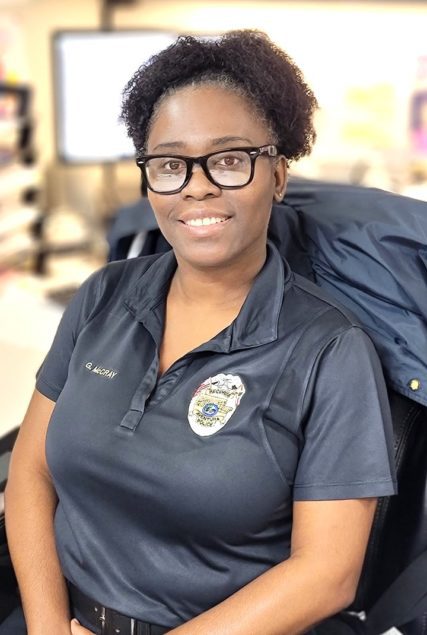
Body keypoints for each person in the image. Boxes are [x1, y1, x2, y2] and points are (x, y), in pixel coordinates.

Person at [4, 30, 396, 635]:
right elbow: (31, 473)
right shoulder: (103, 295)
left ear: (278, 175)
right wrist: (47, 626)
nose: (197, 184)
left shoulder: (330, 349)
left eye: (230, 159)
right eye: (169, 164)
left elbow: (326, 573)